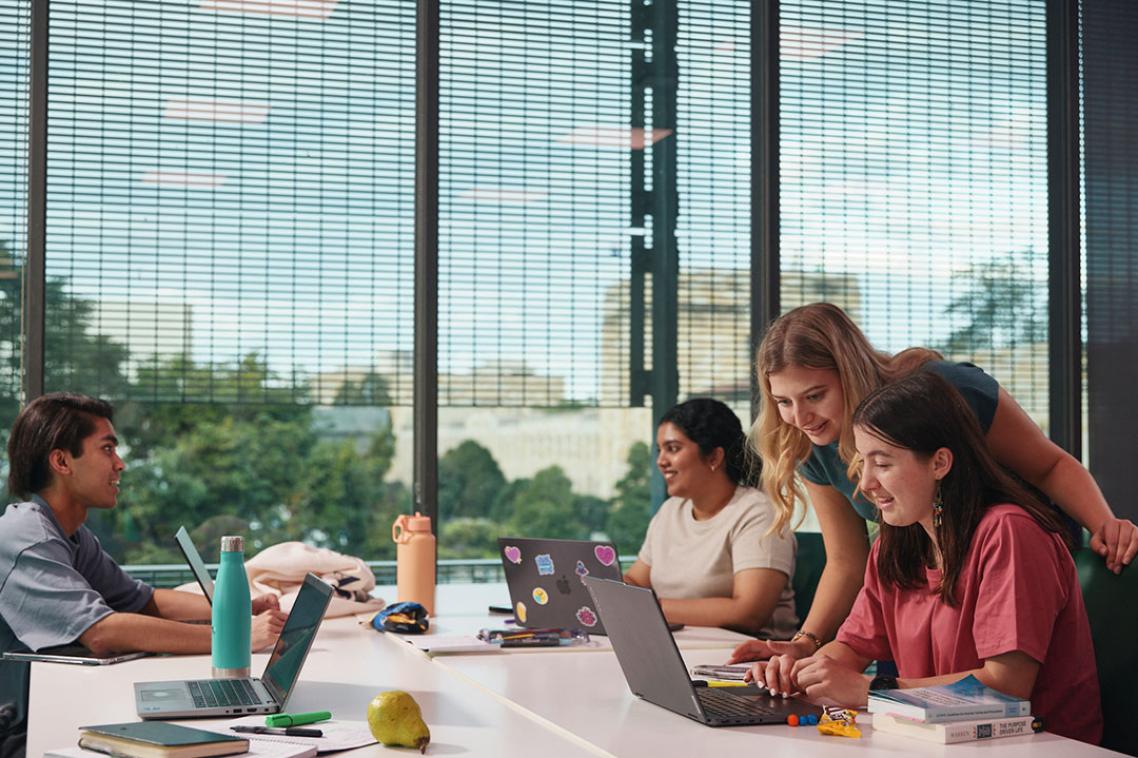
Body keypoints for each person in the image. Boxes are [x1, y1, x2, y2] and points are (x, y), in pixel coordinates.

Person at [728, 302, 1137, 665]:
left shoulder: (950, 393)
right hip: (930, 568)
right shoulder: (811, 445)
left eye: (815, 396)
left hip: (1006, 559)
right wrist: (806, 644)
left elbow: (1049, 466)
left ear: (849, 375)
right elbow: (845, 560)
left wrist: (1105, 526)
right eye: (783, 402)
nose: (800, 417)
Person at [750, 373, 1102, 743]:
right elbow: (853, 647)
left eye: (882, 464)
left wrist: (869, 690)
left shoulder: (1010, 533)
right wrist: (802, 672)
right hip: (938, 741)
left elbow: (1007, 685)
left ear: (939, 463)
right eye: (863, 462)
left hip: (1039, 746)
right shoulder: (895, 543)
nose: (865, 483)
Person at [0, 393, 287, 744]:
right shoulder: (27, 539)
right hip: (18, 732)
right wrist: (235, 638)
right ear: (62, 461)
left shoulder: (72, 535)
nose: (119, 464)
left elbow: (141, 599)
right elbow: (102, 632)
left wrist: (239, 610)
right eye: (107, 449)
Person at [623, 398, 797, 637]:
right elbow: (635, 580)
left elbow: (748, 613)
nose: (661, 461)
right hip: (682, 650)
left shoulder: (758, 513)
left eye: (673, 448)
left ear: (714, 457)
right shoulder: (670, 511)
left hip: (750, 662)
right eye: (659, 450)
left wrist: (649, 608)